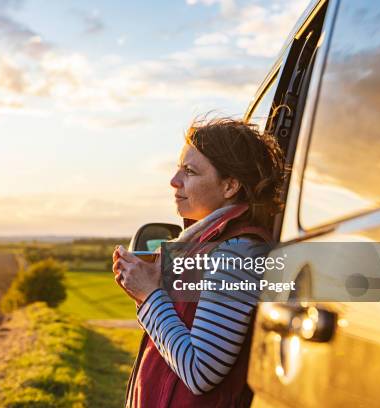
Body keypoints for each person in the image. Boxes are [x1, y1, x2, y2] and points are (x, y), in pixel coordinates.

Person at [113, 117, 284, 408]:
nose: (174, 180)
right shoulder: (209, 245)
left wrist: (149, 295)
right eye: (179, 168)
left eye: (189, 171)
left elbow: (201, 371)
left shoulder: (237, 254)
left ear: (230, 186)